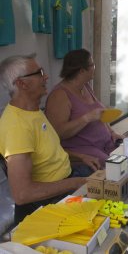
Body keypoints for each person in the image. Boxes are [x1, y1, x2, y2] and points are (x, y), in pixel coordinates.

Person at [0, 54, 86, 224]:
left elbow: (46, 152)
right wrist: (78, 183)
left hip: (65, 185)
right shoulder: (17, 126)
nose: (46, 77)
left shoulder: (33, 111)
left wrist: (82, 157)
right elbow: (22, 194)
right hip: (46, 206)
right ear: (21, 83)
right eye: (39, 73)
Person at [45, 49, 123, 175]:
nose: (94, 67)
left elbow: (100, 114)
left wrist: (112, 132)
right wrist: (86, 118)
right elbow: (58, 133)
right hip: (83, 150)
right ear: (81, 71)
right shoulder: (59, 95)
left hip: (105, 143)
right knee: (116, 169)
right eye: (92, 65)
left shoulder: (85, 86)